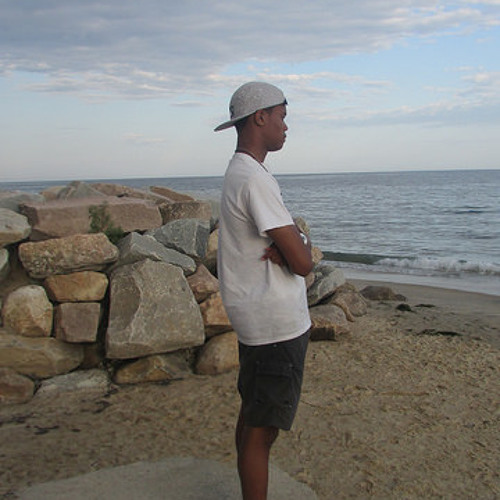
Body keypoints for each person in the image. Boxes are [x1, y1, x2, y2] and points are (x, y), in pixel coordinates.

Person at [215, 81, 314, 500]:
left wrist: (293, 246)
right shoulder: (254, 179)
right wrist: (299, 247)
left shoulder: (239, 172)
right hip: (275, 324)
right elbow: (304, 262)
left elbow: (292, 248)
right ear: (260, 117)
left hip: (257, 319)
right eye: (282, 117)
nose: (286, 126)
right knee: (262, 432)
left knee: (252, 417)